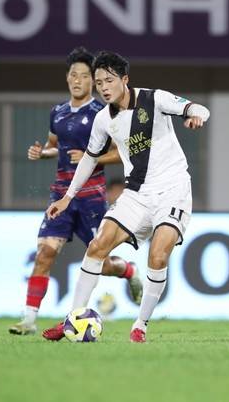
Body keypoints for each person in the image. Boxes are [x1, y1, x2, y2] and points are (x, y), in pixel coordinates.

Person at [45, 51, 210, 343]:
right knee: (97, 246)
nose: (103, 87)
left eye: (109, 81)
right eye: (99, 83)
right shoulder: (102, 119)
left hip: (172, 190)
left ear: (125, 79)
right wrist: (68, 197)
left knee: (158, 255)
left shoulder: (155, 99)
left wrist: (196, 115)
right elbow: (89, 159)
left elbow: (198, 108)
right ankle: (73, 318)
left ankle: (140, 325)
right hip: (136, 194)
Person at [9, 47, 142, 337]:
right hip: (61, 194)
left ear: (92, 81)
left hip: (92, 196)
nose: (78, 80)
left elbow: (121, 152)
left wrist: (90, 157)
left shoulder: (103, 113)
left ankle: (128, 270)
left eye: (84, 76)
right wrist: (43, 153)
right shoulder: (57, 112)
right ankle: (28, 320)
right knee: (45, 253)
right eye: (73, 75)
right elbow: (55, 146)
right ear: (67, 78)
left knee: (101, 263)